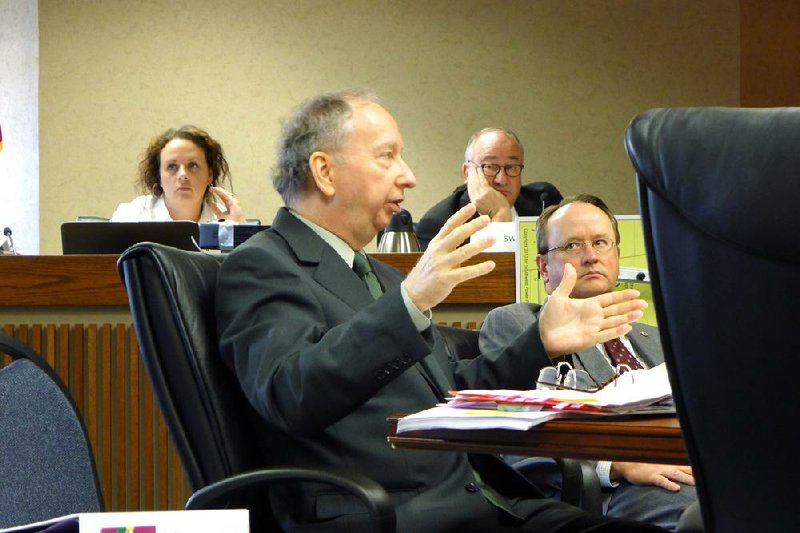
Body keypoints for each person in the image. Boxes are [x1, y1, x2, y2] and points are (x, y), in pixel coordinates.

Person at [215, 89, 663, 532]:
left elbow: (450, 396)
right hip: (393, 516)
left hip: (489, 503)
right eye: (387, 156)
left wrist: (540, 341)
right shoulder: (261, 265)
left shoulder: (383, 277)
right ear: (325, 171)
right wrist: (409, 303)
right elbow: (292, 393)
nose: (408, 177)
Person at [479, 194, 697, 532]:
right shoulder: (519, 325)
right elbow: (517, 434)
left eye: (600, 243)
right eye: (572, 246)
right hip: (624, 487)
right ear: (542, 268)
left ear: (616, 256)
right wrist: (616, 465)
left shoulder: (660, 334)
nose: (591, 256)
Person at [415, 127, 562, 250]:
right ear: (468, 173)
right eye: (490, 167)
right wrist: (500, 216)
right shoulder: (439, 223)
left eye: (511, 167)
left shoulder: (544, 201)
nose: (502, 180)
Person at [110, 125, 245, 223]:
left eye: (193, 165)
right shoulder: (133, 215)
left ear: (209, 175)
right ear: (159, 177)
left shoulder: (225, 220)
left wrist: (237, 233)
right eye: (172, 166)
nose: (183, 175)